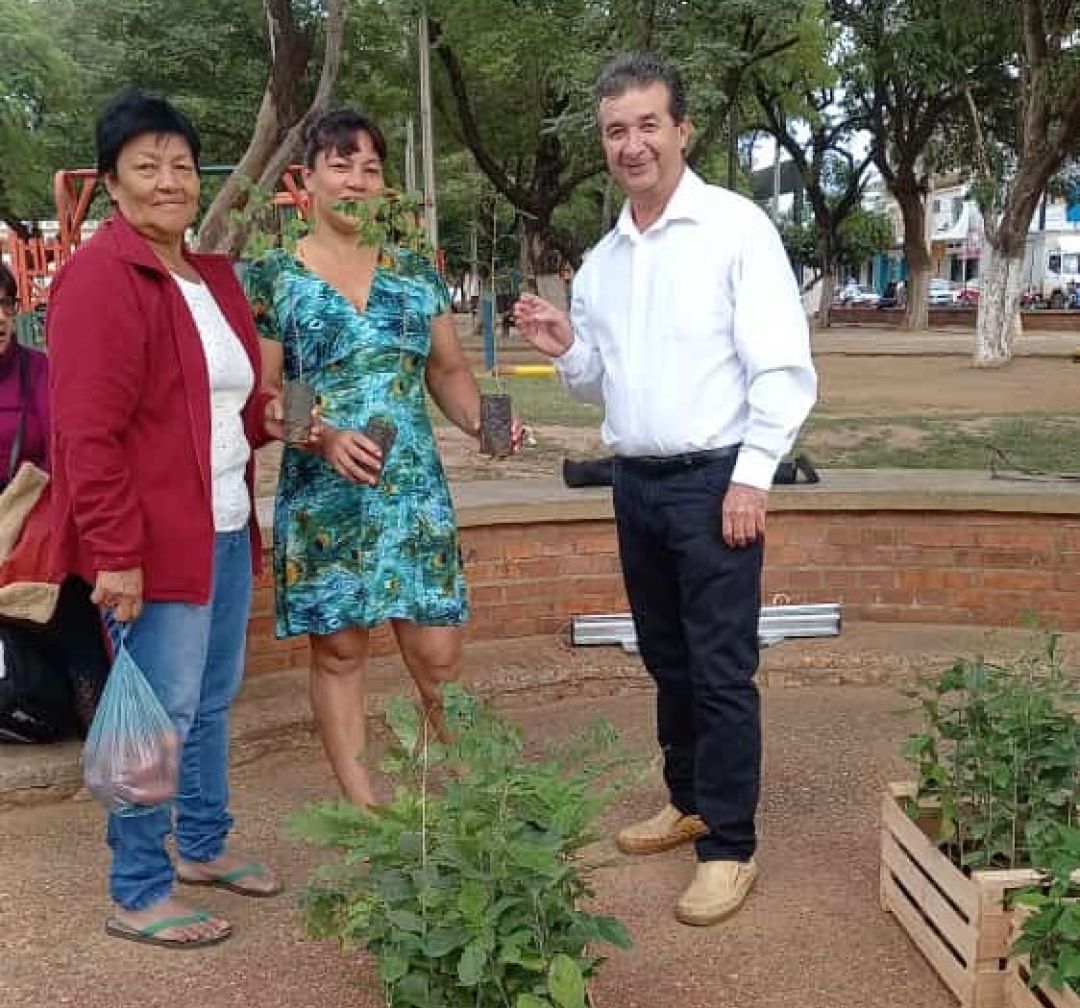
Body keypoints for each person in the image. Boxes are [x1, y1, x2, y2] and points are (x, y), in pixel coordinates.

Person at [514, 53, 817, 927]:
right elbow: (599, 385)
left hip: (718, 480)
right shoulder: (605, 259)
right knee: (666, 657)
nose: (633, 144)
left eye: (649, 125)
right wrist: (567, 340)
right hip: (636, 485)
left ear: (683, 129)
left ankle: (731, 845)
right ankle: (687, 800)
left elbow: (783, 369)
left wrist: (752, 476)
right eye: (617, 130)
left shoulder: (734, 228)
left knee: (722, 669)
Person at [48, 91, 291, 949]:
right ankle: (139, 888)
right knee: (158, 714)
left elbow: (217, 407)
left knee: (212, 702)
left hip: (225, 525)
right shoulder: (100, 279)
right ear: (112, 183)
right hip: (152, 545)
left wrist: (278, 418)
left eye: (181, 165)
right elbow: (85, 432)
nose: (168, 181)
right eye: (146, 167)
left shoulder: (209, 276)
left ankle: (203, 847)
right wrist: (116, 553)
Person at [245, 109, 518, 808]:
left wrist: (490, 426)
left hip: (412, 495)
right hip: (327, 494)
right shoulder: (276, 277)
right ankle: (369, 813)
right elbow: (273, 392)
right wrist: (321, 436)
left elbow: (447, 371)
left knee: (441, 657)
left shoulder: (413, 271)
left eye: (370, 168)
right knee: (339, 652)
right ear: (307, 179)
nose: (356, 181)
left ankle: (438, 791)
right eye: (341, 165)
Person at [0, 266, 109, 736]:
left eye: (4, 305)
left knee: (74, 601)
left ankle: (100, 723)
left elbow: (70, 449)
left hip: (32, 525)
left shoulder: (42, 372)